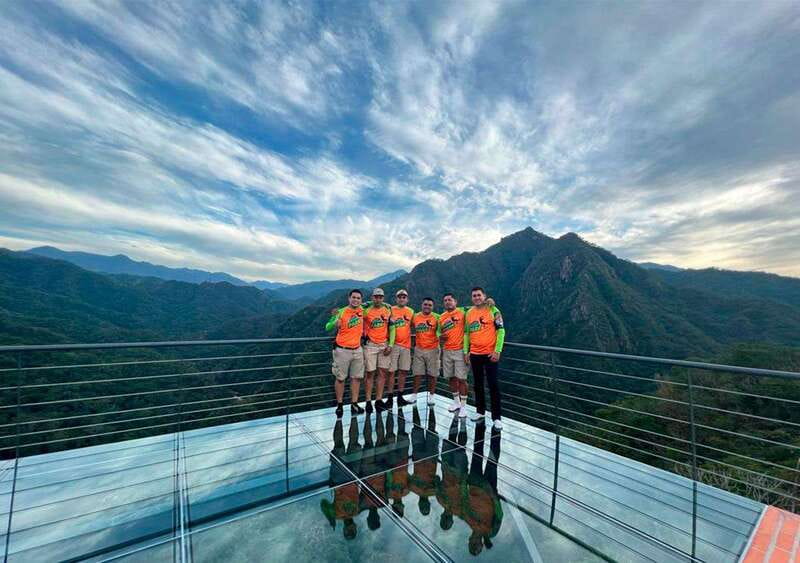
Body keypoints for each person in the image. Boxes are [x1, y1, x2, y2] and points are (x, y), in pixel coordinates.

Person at [465, 287, 505, 430]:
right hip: (475, 354)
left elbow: (501, 330)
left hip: (490, 354)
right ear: (472, 298)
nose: (476, 297)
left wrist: (497, 350)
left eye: (479, 295)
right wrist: (466, 351)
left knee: (493, 385)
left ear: (484, 296)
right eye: (474, 295)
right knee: (478, 384)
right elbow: (467, 334)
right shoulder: (469, 313)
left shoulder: (494, 310)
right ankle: (480, 411)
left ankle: (496, 417)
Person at [463, 422, 503, 556]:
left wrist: (465, 483)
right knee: (493, 459)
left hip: (474, 482)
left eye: (472, 544)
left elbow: (464, 500)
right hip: (489, 488)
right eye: (477, 545)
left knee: (477, 451)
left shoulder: (468, 520)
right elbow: (499, 515)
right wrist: (493, 496)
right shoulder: (491, 532)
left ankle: (481, 425)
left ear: (469, 540)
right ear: (481, 544)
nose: (475, 542)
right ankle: (496, 432)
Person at [320, 416, 362, 540]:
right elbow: (323, 504)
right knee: (353, 443)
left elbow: (323, 503)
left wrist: (330, 518)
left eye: (348, 531)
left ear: (344, 530)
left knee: (339, 445)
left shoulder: (337, 515)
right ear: (355, 527)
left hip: (342, 479)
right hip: (353, 477)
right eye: (353, 531)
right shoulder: (356, 512)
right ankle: (352, 417)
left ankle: (339, 418)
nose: (351, 529)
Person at [325, 289, 366, 417]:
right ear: (349, 298)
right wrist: (334, 322)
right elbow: (327, 327)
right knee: (340, 378)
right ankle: (340, 405)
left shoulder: (362, 310)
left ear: (361, 300)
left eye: (358, 298)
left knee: (356, 378)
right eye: (354, 297)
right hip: (342, 350)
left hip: (357, 349)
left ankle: (354, 404)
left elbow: (374, 304)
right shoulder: (341, 312)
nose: (356, 300)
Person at [362, 288, 395, 414]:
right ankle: (368, 401)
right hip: (370, 345)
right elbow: (355, 309)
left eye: (380, 297)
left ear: (383, 298)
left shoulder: (388, 310)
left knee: (382, 373)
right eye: (376, 297)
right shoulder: (366, 310)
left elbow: (392, 328)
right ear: (372, 297)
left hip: (384, 345)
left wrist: (391, 344)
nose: (378, 299)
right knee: (370, 373)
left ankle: (378, 400)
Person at [435, 414, 468, 533]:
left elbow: (464, 490)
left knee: (460, 446)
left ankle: (462, 422)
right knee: (452, 441)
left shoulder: (459, 508)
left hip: (457, 472)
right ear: (442, 516)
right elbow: (437, 480)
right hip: (448, 468)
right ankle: (457, 419)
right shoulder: (441, 500)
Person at [439, 293, 469, 418]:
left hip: (460, 350)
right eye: (445, 300)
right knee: (451, 377)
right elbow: (438, 334)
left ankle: (463, 406)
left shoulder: (463, 313)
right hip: (447, 351)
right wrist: (440, 337)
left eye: (450, 300)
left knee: (462, 379)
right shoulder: (441, 317)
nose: (447, 302)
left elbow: (478, 307)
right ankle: (456, 402)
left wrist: (488, 303)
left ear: (455, 301)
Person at [386, 289, 414, 409]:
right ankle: (390, 398)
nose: (402, 299)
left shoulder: (411, 311)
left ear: (407, 299)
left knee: (403, 372)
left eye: (404, 297)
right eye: (399, 297)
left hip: (406, 346)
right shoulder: (390, 310)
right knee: (391, 372)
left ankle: (400, 397)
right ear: (396, 298)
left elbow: (414, 324)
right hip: (393, 345)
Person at [410, 405, 439, 517]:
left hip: (431, 458)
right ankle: (414, 406)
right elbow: (411, 476)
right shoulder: (413, 488)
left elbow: (437, 478)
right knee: (417, 428)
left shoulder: (434, 491)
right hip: (418, 458)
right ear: (419, 503)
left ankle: (430, 409)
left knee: (431, 429)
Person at [410, 297, 440, 405]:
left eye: (430, 305)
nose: (427, 306)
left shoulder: (437, 317)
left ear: (433, 307)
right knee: (417, 373)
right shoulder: (415, 317)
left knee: (433, 374)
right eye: (425, 304)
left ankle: (431, 396)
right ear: (422, 305)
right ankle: (414, 395)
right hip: (419, 349)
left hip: (433, 349)